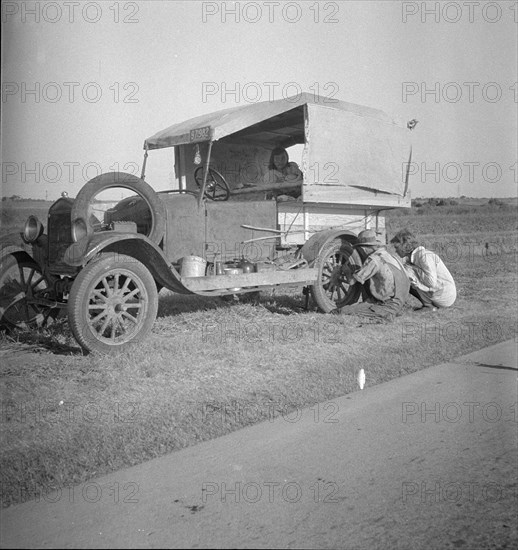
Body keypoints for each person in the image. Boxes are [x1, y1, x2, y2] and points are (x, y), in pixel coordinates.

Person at [333, 229, 410, 322]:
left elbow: (352, 281)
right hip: (401, 304)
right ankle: (389, 311)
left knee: (342, 311)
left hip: (388, 305)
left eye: (360, 249)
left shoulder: (374, 260)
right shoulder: (390, 256)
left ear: (364, 248)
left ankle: (385, 315)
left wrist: (347, 271)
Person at [390, 229, 456, 309]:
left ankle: (428, 306)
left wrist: (413, 269)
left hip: (444, 296)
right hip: (440, 293)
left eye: (397, 247)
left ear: (405, 246)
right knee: (405, 273)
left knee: (405, 275)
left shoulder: (424, 256)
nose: (396, 251)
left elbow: (431, 282)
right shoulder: (415, 257)